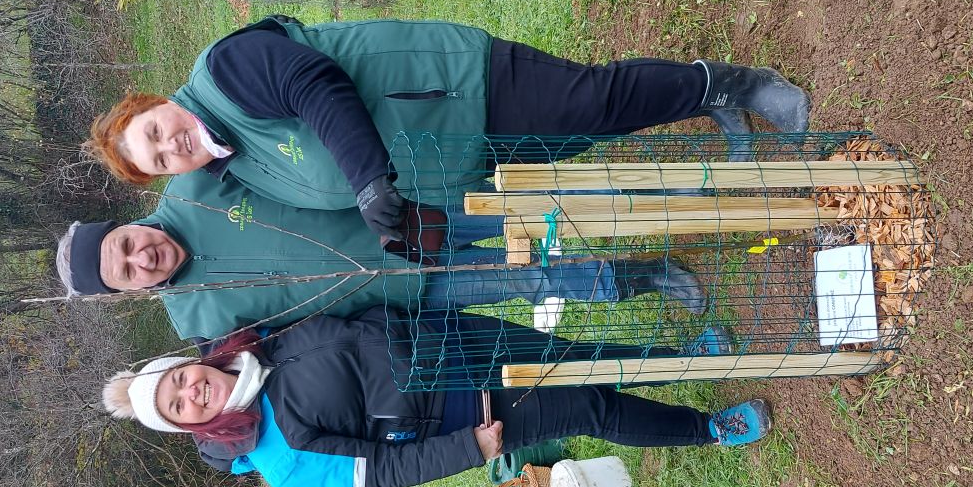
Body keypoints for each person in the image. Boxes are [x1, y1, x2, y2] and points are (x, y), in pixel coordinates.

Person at [84, 16, 810, 241]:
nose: (165, 145)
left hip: (452, 83)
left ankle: (731, 82)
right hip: (450, 151)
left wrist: (369, 178)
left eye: (151, 130)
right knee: (579, 134)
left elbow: (314, 84)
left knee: (590, 99)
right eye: (155, 159)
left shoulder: (225, 71)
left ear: (154, 105)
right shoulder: (228, 161)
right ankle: (695, 99)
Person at [101, 307, 773, 487]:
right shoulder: (279, 457)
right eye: (180, 406)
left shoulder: (260, 339)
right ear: (195, 423)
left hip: (452, 343)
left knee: (577, 358)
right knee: (590, 406)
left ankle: (687, 358)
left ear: (188, 363)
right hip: (466, 413)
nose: (190, 392)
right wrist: (469, 448)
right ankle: (706, 428)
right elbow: (382, 471)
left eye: (179, 380)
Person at [56, 169, 709, 340]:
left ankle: (656, 196)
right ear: (130, 292)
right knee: (530, 279)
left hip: (409, 214)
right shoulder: (196, 322)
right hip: (403, 292)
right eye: (127, 273)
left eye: (124, 245)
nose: (142, 258)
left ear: (123, 224)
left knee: (531, 209)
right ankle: (645, 275)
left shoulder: (194, 188)